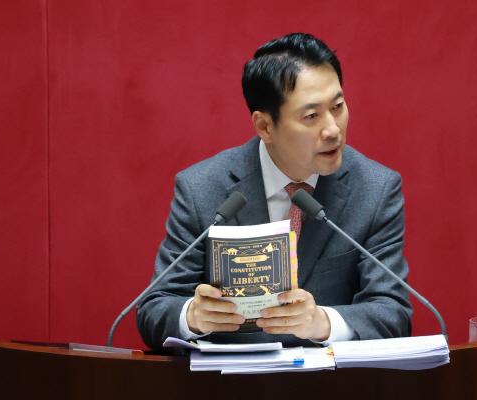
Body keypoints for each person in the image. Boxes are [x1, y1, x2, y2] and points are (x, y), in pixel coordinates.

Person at [136, 33, 412, 351]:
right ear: (265, 126)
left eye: (338, 107)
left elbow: (393, 313)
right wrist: (193, 316)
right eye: (311, 116)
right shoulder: (202, 189)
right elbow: (154, 309)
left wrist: (323, 322)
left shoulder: (375, 189)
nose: (333, 129)